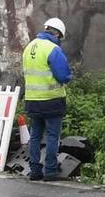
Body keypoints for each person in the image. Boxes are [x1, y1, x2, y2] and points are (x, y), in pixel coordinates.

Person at [20, 17, 72, 180]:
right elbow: (64, 76)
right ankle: (50, 170)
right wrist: (70, 77)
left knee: (35, 136)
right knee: (52, 136)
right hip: (51, 100)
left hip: (32, 101)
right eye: (60, 38)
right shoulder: (53, 49)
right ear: (56, 34)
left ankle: (35, 170)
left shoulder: (29, 48)